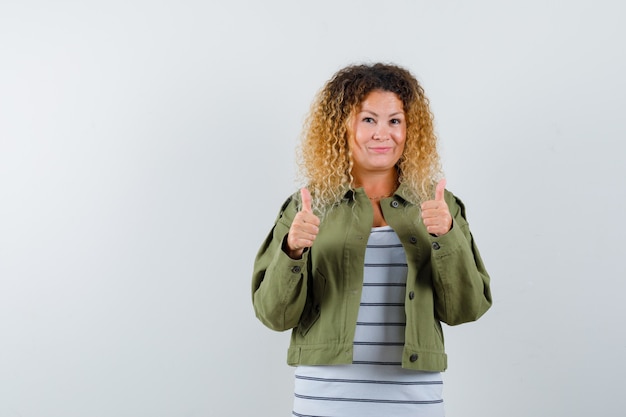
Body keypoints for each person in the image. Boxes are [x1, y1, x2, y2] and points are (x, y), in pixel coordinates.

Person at [251, 63, 492, 417]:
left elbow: (466, 310)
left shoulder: (440, 206)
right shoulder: (308, 207)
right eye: (368, 120)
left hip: (414, 401)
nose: (383, 133)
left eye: (395, 120)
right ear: (342, 127)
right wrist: (292, 250)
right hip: (325, 400)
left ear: (410, 129)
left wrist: (446, 235)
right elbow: (273, 315)